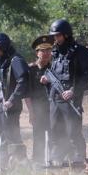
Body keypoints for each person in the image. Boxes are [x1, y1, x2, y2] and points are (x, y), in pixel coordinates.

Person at [41, 19, 88, 164]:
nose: (55, 39)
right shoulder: (55, 52)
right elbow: (53, 73)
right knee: (55, 129)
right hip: (55, 98)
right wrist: (46, 79)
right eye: (54, 36)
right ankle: (60, 158)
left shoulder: (79, 51)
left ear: (66, 35)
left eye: (58, 35)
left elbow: (85, 77)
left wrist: (73, 91)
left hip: (71, 99)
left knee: (73, 131)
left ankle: (79, 159)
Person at [0, 33, 29, 164]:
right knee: (3, 135)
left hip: (11, 105)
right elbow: (6, 79)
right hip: (3, 104)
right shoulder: (5, 61)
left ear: (3, 46)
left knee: (13, 136)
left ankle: (21, 162)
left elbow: (22, 81)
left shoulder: (15, 60)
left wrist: (11, 100)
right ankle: (5, 163)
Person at [25, 35, 54, 163]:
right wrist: (31, 112)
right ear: (37, 53)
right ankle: (38, 162)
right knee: (38, 137)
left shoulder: (55, 68)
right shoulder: (31, 70)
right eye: (43, 50)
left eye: (49, 50)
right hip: (38, 110)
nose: (47, 53)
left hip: (53, 108)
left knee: (55, 135)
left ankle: (54, 161)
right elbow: (27, 93)